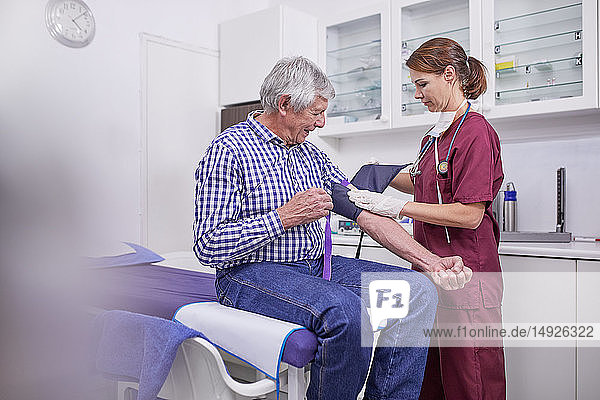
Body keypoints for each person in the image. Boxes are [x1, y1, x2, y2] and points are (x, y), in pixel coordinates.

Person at [194, 56, 473, 400]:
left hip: (314, 268)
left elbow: (364, 212)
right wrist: (284, 217)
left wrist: (430, 261)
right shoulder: (228, 150)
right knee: (346, 310)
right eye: (315, 112)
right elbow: (207, 245)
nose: (322, 122)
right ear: (285, 105)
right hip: (250, 273)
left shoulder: (311, 155)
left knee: (416, 289)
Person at [348, 38, 506, 400]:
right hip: (430, 271)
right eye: (414, 85)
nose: (417, 94)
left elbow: (468, 214)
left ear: (449, 75)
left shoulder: (477, 133)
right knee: (430, 378)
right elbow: (423, 180)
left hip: (468, 275)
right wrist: (380, 175)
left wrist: (393, 207)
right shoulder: (434, 135)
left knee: (472, 379)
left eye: (422, 83)